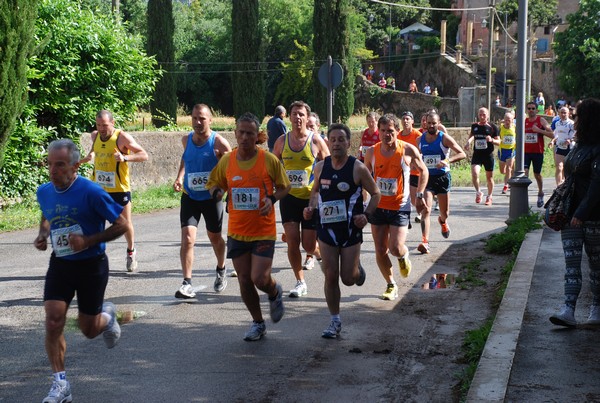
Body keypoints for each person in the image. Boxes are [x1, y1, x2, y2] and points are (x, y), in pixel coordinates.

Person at [35, 139, 128, 402]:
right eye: (50, 164)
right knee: (53, 320)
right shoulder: (45, 190)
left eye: (60, 165)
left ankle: (107, 317)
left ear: (75, 166)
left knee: (88, 329)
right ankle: (61, 384)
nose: (53, 170)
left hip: (91, 266)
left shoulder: (92, 192)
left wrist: (88, 240)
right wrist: (43, 234)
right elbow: (46, 213)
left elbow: (121, 225)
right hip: (61, 263)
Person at [207, 113, 291, 340]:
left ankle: (274, 292)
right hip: (237, 230)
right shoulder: (227, 160)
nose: (244, 137)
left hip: (263, 230)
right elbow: (214, 183)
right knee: (244, 279)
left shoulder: (269, 160)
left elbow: (285, 187)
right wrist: (217, 192)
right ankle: (257, 323)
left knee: (260, 278)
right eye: (241, 133)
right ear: (235, 134)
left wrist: (272, 200)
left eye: (250, 133)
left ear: (257, 136)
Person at [303, 123, 381, 338]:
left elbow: (375, 194)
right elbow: (315, 192)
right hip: (326, 230)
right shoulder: (320, 167)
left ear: (348, 143)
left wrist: (366, 216)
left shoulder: (357, 168)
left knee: (347, 278)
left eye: (341, 139)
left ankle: (356, 270)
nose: (336, 143)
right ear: (328, 142)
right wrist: (310, 207)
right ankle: (334, 321)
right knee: (330, 275)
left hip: (350, 229)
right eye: (333, 139)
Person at [364, 114, 429, 301]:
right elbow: (364, 176)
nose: (386, 135)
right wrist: (362, 202)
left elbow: (423, 170)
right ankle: (391, 284)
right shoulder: (371, 152)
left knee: (395, 247)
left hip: (399, 207)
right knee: (380, 249)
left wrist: (419, 194)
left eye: (390, 131)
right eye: (383, 131)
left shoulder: (407, 150)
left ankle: (403, 255)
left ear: (396, 131)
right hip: (378, 207)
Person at [549, 98, 600, 328]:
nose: (574, 119)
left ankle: (596, 308)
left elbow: (596, 186)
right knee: (571, 263)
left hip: (593, 216)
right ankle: (568, 309)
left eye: (577, 116)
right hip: (570, 215)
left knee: (596, 264)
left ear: (587, 119)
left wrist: (582, 212)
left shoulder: (597, 148)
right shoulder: (578, 145)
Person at [172, 104, 232, 299]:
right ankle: (186, 283)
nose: (198, 122)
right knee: (188, 238)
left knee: (215, 238)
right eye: (195, 118)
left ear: (210, 120)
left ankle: (221, 268)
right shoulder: (185, 140)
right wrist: (180, 177)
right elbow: (185, 159)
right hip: (190, 196)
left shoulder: (219, 143)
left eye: (202, 119)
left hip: (211, 198)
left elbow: (231, 168)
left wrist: (224, 189)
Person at [273, 101, 329, 298]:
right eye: (294, 114)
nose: (298, 117)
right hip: (288, 198)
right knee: (292, 242)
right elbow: (273, 165)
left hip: (310, 199)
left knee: (308, 245)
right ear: (289, 117)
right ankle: (300, 281)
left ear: (307, 117)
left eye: (301, 114)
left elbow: (329, 164)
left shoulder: (316, 141)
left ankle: (320, 254)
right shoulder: (281, 141)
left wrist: (325, 190)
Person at [80, 110, 148, 272]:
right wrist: (82, 161)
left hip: (120, 189)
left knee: (125, 224)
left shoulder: (121, 138)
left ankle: (131, 251)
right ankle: (93, 258)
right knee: (94, 223)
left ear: (113, 123)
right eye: (98, 125)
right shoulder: (95, 136)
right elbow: (93, 153)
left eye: (105, 125)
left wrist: (125, 158)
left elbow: (143, 155)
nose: (102, 128)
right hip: (99, 189)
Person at [417, 112, 466, 254]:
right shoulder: (420, 140)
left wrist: (447, 161)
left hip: (443, 177)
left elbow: (462, 153)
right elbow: (416, 159)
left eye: (434, 123)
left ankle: (443, 222)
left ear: (439, 123)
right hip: (428, 179)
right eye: (429, 123)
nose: (431, 125)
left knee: (445, 213)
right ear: (425, 123)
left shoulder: (444, 138)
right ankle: (424, 241)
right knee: (426, 210)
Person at [465, 107, 500, 206]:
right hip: (477, 154)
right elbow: (472, 135)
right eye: (480, 114)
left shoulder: (493, 127)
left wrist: (492, 140)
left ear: (488, 115)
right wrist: (468, 142)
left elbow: (499, 142)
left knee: (489, 178)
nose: (482, 116)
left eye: (484, 114)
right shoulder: (474, 126)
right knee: (475, 173)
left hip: (488, 155)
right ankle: (478, 192)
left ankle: (489, 196)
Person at [524, 101, 554, 207]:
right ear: (527, 110)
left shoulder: (541, 120)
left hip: (537, 152)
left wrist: (539, 131)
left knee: (537, 174)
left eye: (533, 108)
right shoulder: (524, 121)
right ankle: (523, 196)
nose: (531, 110)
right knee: (525, 172)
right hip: (526, 152)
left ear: (536, 110)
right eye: (529, 108)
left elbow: (552, 134)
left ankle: (540, 192)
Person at [400, 111, 425, 222]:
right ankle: (407, 217)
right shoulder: (398, 135)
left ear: (412, 121)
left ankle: (423, 212)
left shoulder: (417, 135)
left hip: (415, 171)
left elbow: (423, 151)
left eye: (407, 119)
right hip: (403, 171)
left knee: (414, 199)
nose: (405, 121)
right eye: (403, 119)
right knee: (405, 196)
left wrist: (416, 163)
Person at [548, 106, 575, 185]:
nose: (563, 114)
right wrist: (552, 141)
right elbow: (556, 135)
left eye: (565, 113)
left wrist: (570, 140)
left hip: (569, 148)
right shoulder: (557, 123)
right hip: (560, 147)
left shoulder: (571, 124)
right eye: (561, 113)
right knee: (559, 167)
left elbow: (576, 135)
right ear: (559, 113)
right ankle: (558, 187)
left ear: (568, 114)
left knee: (568, 169)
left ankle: (568, 185)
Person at [498, 111, 516, 194]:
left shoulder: (515, 128)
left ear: (512, 120)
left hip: (511, 150)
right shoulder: (501, 127)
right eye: (506, 120)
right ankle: (509, 176)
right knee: (502, 171)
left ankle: (506, 185)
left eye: (509, 120)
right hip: (502, 151)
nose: (507, 122)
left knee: (509, 168)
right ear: (504, 120)